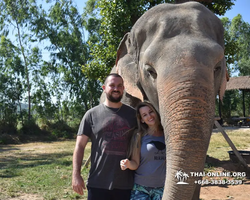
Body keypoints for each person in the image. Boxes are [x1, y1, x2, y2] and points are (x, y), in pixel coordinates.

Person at [72, 73, 137, 200]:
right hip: (98, 182)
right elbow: (79, 146)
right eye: (111, 85)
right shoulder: (91, 115)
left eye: (119, 86)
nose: (116, 89)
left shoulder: (133, 115)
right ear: (104, 88)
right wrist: (76, 175)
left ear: (123, 89)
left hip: (125, 184)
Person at [120, 101, 166, 200]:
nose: (149, 116)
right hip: (141, 188)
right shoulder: (139, 136)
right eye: (145, 115)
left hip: (163, 188)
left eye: (151, 112)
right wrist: (128, 164)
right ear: (142, 120)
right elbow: (135, 163)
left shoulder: (167, 135)